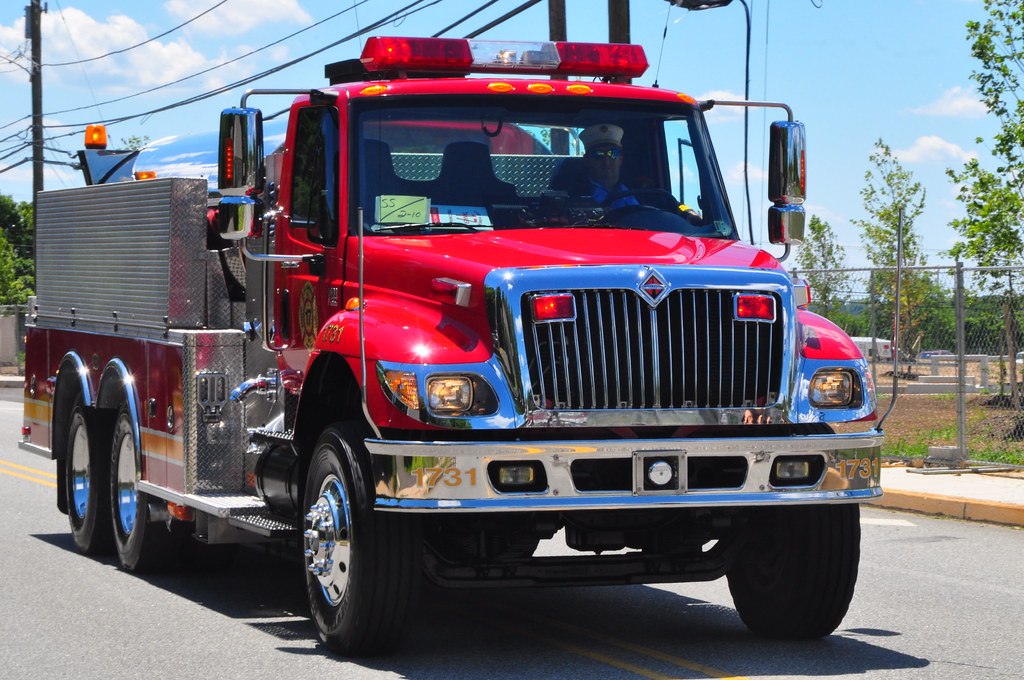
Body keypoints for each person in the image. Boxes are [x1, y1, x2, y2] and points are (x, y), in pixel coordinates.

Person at [578, 123, 639, 210]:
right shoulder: (576, 192)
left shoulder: (639, 189)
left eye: (612, 154)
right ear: (587, 160)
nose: (606, 161)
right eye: (598, 154)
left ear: (620, 159)